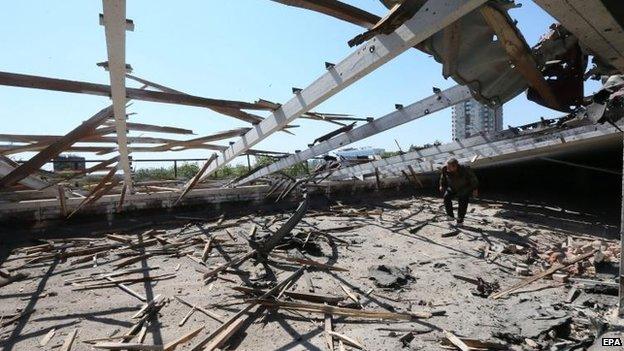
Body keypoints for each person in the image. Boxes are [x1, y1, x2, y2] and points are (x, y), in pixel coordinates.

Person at [439, 158, 479, 226]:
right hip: (452, 187)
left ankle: (460, 220)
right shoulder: (445, 169)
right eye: (447, 166)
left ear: (455, 166)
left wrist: (475, 189)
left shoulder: (465, 169)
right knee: (446, 197)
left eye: (449, 167)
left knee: (462, 203)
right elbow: (443, 178)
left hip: (464, 188)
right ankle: (450, 216)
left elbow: (473, 179)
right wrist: (441, 185)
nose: (447, 169)